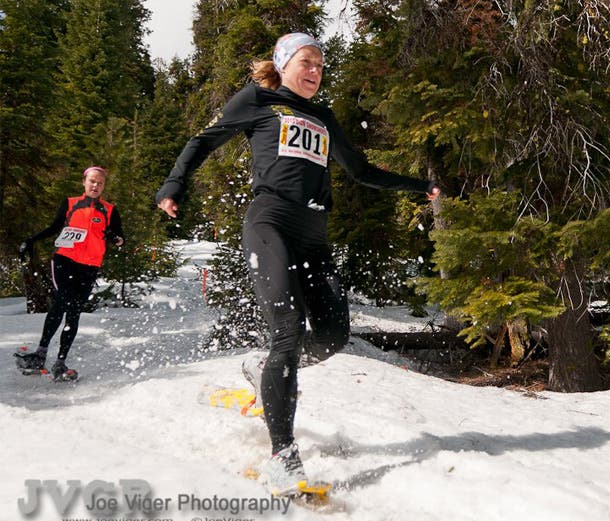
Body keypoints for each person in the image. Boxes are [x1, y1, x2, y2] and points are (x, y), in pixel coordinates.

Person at [155, 32, 440, 495]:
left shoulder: (323, 117)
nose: (314, 72)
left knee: (331, 336)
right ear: (283, 63)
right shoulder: (258, 99)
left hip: (314, 235)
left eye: (321, 66)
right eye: (306, 62)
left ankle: (264, 369)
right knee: (287, 330)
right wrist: (173, 186)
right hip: (270, 221)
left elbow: (361, 172)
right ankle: (282, 457)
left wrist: (418, 185)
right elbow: (203, 140)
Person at [15, 166, 125, 382]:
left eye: (100, 183)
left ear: (104, 186)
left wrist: (115, 237)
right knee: (62, 301)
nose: (95, 185)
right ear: (84, 182)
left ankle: (60, 363)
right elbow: (55, 227)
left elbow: (121, 239)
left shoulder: (110, 210)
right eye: (92, 181)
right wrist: (31, 240)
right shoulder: (70, 203)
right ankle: (40, 354)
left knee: (73, 312)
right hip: (64, 261)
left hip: (89, 267)